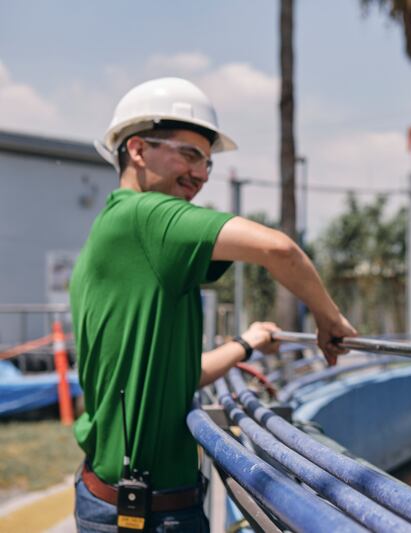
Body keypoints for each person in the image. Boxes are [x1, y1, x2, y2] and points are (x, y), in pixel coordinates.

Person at [69, 77, 357, 532]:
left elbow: (180, 375)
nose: (201, 174)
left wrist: (245, 343)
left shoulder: (113, 233)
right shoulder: (144, 217)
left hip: (114, 500)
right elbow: (280, 249)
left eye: (207, 162)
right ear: (139, 150)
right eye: (188, 154)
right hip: (148, 514)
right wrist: (330, 319)